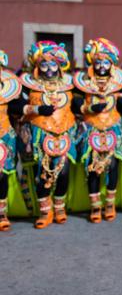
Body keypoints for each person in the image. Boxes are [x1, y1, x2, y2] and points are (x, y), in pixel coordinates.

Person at [19, 41, 80, 229]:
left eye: (53, 64)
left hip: (65, 131)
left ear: (60, 65)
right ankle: (46, 211)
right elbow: (14, 106)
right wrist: (36, 109)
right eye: (44, 64)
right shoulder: (28, 84)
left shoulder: (71, 84)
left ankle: (60, 207)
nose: (49, 68)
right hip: (40, 133)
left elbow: (79, 103)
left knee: (63, 171)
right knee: (43, 172)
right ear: (37, 66)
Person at [74, 39, 122, 223]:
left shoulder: (119, 83)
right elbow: (74, 103)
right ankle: (95, 206)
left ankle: (110, 204)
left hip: (113, 127)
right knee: (93, 167)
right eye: (98, 61)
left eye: (106, 62)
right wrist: (89, 109)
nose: (102, 65)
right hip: (91, 128)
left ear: (111, 64)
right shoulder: (83, 82)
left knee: (112, 165)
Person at [0, 50, 22, 230]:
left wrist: (36, 110)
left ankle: (1, 213)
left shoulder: (8, 91)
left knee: (2, 175)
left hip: (3, 136)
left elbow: (19, 106)